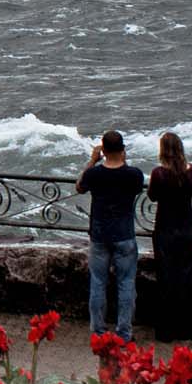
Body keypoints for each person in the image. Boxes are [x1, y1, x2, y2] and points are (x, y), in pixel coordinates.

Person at [76, 129, 145, 341]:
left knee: (98, 282)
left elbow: (79, 187)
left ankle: (98, 331)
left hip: (99, 234)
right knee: (126, 283)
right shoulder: (133, 174)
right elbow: (137, 189)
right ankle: (124, 332)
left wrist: (92, 161)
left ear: (103, 150)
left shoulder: (94, 174)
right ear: (123, 150)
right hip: (124, 234)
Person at [148, 131, 192, 340]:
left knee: (166, 279)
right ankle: (186, 328)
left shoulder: (158, 173)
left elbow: (152, 196)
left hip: (165, 230)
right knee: (186, 278)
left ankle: (165, 329)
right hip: (186, 230)